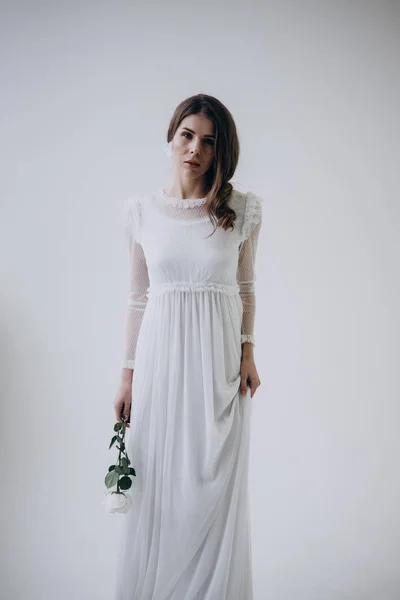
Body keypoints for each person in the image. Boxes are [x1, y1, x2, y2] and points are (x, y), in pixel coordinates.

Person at [113, 93, 263, 599]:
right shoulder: (140, 213)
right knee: (162, 488)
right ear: (171, 138)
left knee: (213, 489)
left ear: (221, 151)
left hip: (218, 368)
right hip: (160, 365)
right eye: (187, 135)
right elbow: (137, 299)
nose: (195, 148)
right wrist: (127, 375)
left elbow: (245, 289)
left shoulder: (239, 211)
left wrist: (248, 352)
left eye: (208, 140)